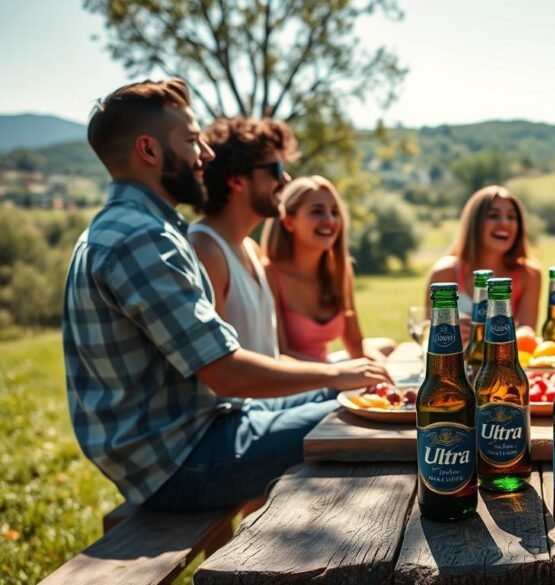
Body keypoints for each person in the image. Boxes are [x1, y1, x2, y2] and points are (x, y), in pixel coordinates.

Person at [64, 79, 391, 512]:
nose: (207, 155)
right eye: (193, 140)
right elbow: (225, 373)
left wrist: (340, 377)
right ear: (149, 151)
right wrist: (334, 374)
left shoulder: (145, 229)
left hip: (209, 431)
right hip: (182, 464)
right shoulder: (139, 239)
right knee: (364, 419)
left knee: (360, 399)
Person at [189, 116, 296, 357]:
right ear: (237, 180)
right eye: (276, 169)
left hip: (273, 395)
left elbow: (274, 358)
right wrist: (334, 376)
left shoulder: (251, 248)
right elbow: (222, 364)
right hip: (244, 397)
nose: (286, 179)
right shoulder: (204, 251)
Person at [263, 176, 395, 363]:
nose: (330, 220)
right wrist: (337, 375)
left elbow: (356, 346)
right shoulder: (269, 275)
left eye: (334, 212)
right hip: (296, 381)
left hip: (330, 370)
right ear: (289, 223)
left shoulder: (340, 270)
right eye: (317, 212)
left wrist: (384, 374)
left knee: (389, 347)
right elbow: (279, 355)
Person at [424, 185, 541, 329]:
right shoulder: (445, 273)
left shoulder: (529, 274)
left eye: (511, 217)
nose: (504, 223)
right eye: (493, 215)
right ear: (474, 223)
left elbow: (527, 336)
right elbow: (427, 332)